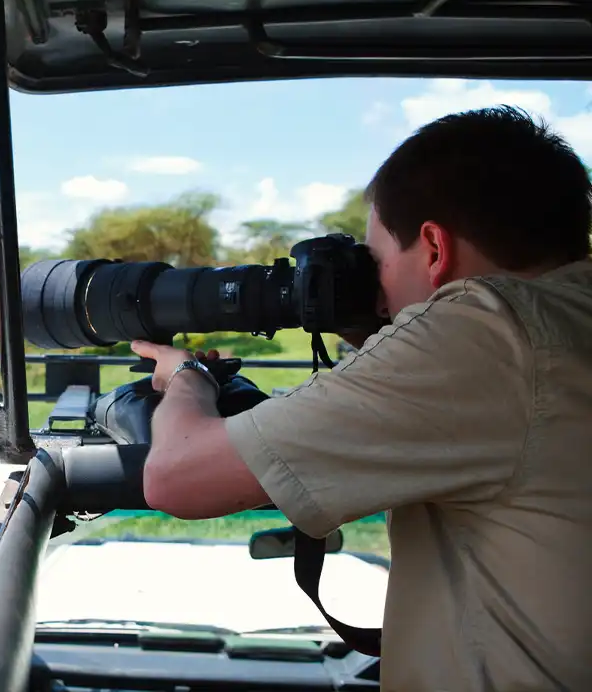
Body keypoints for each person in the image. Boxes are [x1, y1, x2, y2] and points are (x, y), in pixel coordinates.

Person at [132, 105, 592, 692]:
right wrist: (369, 329)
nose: (373, 290)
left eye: (376, 263)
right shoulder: (561, 317)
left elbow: (176, 477)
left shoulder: (485, 329)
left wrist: (188, 375)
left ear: (433, 249)